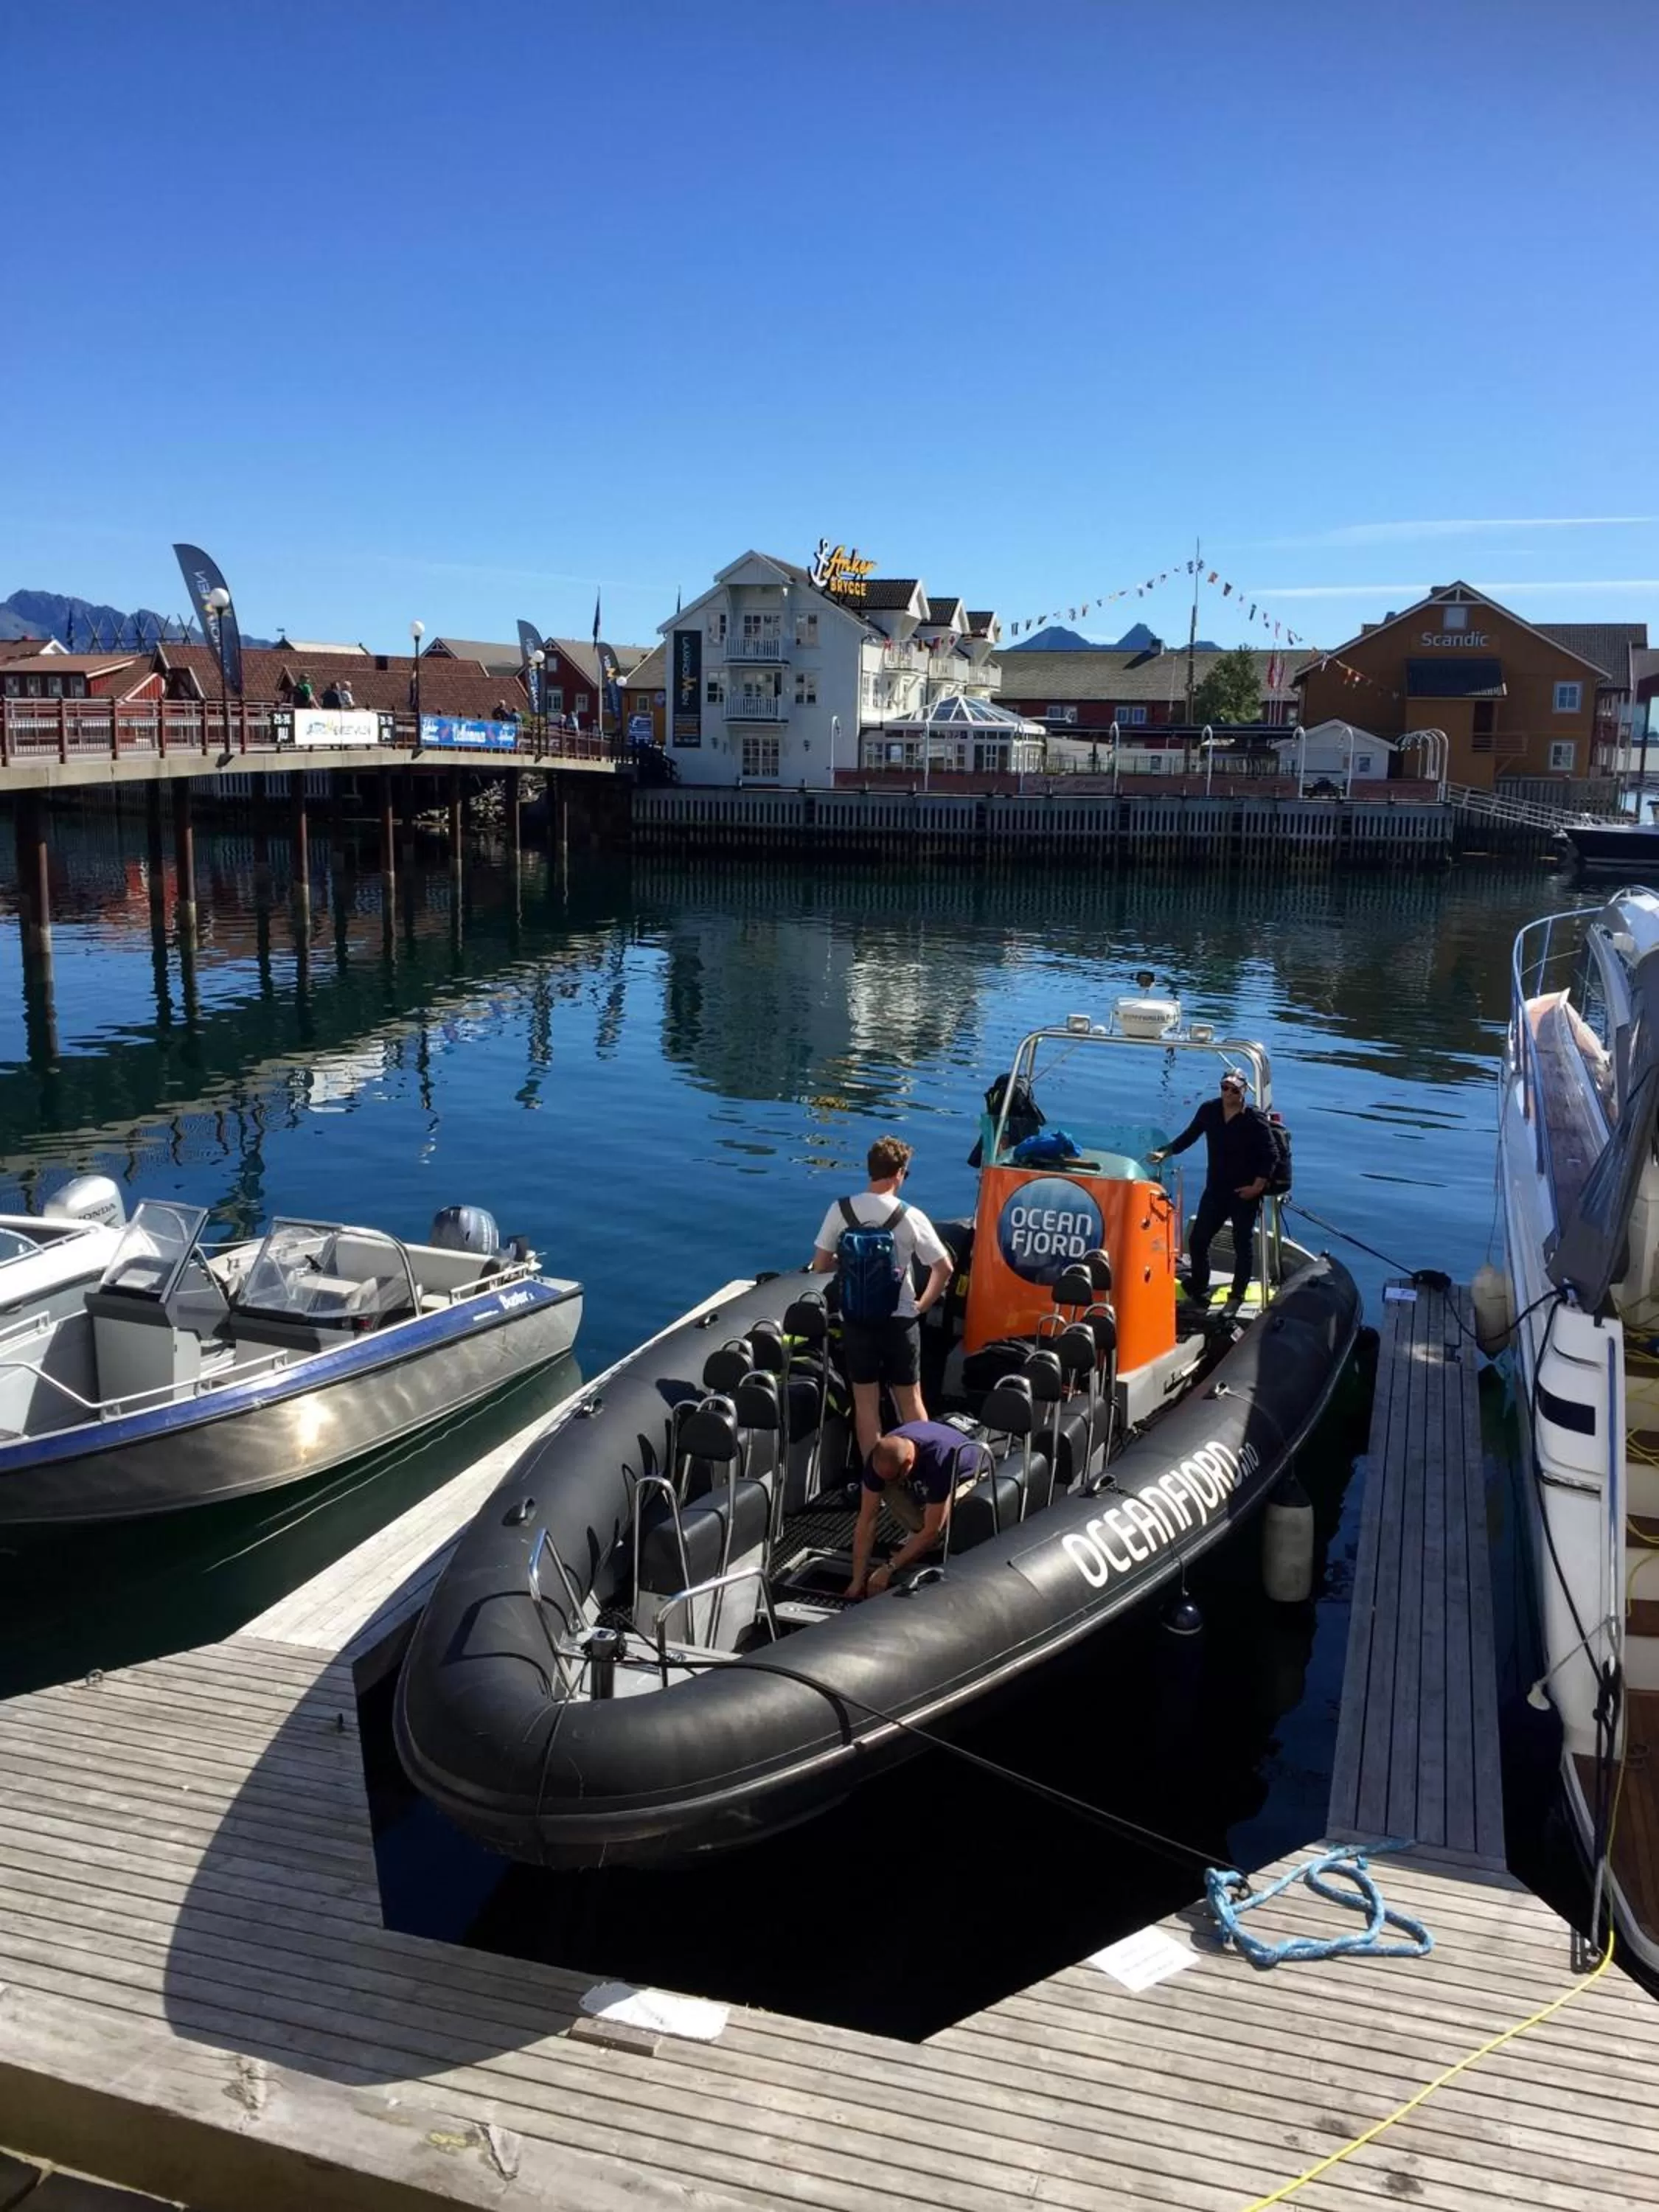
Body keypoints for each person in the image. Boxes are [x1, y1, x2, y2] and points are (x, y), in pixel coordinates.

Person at [810, 1135, 950, 1462]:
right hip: (900, 1321)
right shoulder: (910, 1215)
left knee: (866, 1404)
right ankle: (924, 1471)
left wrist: (847, 1262)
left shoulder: (841, 1209)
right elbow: (944, 1268)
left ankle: (873, 1478)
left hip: (857, 1319)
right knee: (911, 1401)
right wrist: (923, 1304)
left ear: (871, 1169)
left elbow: (820, 1265)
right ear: (899, 1173)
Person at [1148, 1069, 1276, 1312]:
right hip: (1216, 1189)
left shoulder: (1254, 1118)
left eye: (1234, 1090)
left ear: (1244, 1092)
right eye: (1225, 1087)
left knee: (1242, 1244)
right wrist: (1165, 1152)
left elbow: (1271, 1154)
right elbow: (1189, 1136)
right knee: (1198, 1240)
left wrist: (1256, 1187)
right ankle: (1199, 1286)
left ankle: (1237, 1294)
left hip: (1244, 1192)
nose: (1228, 1093)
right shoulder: (1209, 1110)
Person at [846, 1421, 972, 1599]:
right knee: (885, 1488)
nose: (889, 1481)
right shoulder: (879, 1458)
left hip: (968, 1476)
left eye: (894, 1477)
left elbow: (932, 1530)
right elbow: (867, 1519)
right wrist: (857, 1580)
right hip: (922, 1474)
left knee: (939, 1527)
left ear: (908, 1463)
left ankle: (928, 1544)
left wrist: (889, 1568)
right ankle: (917, 1537)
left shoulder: (939, 1461)